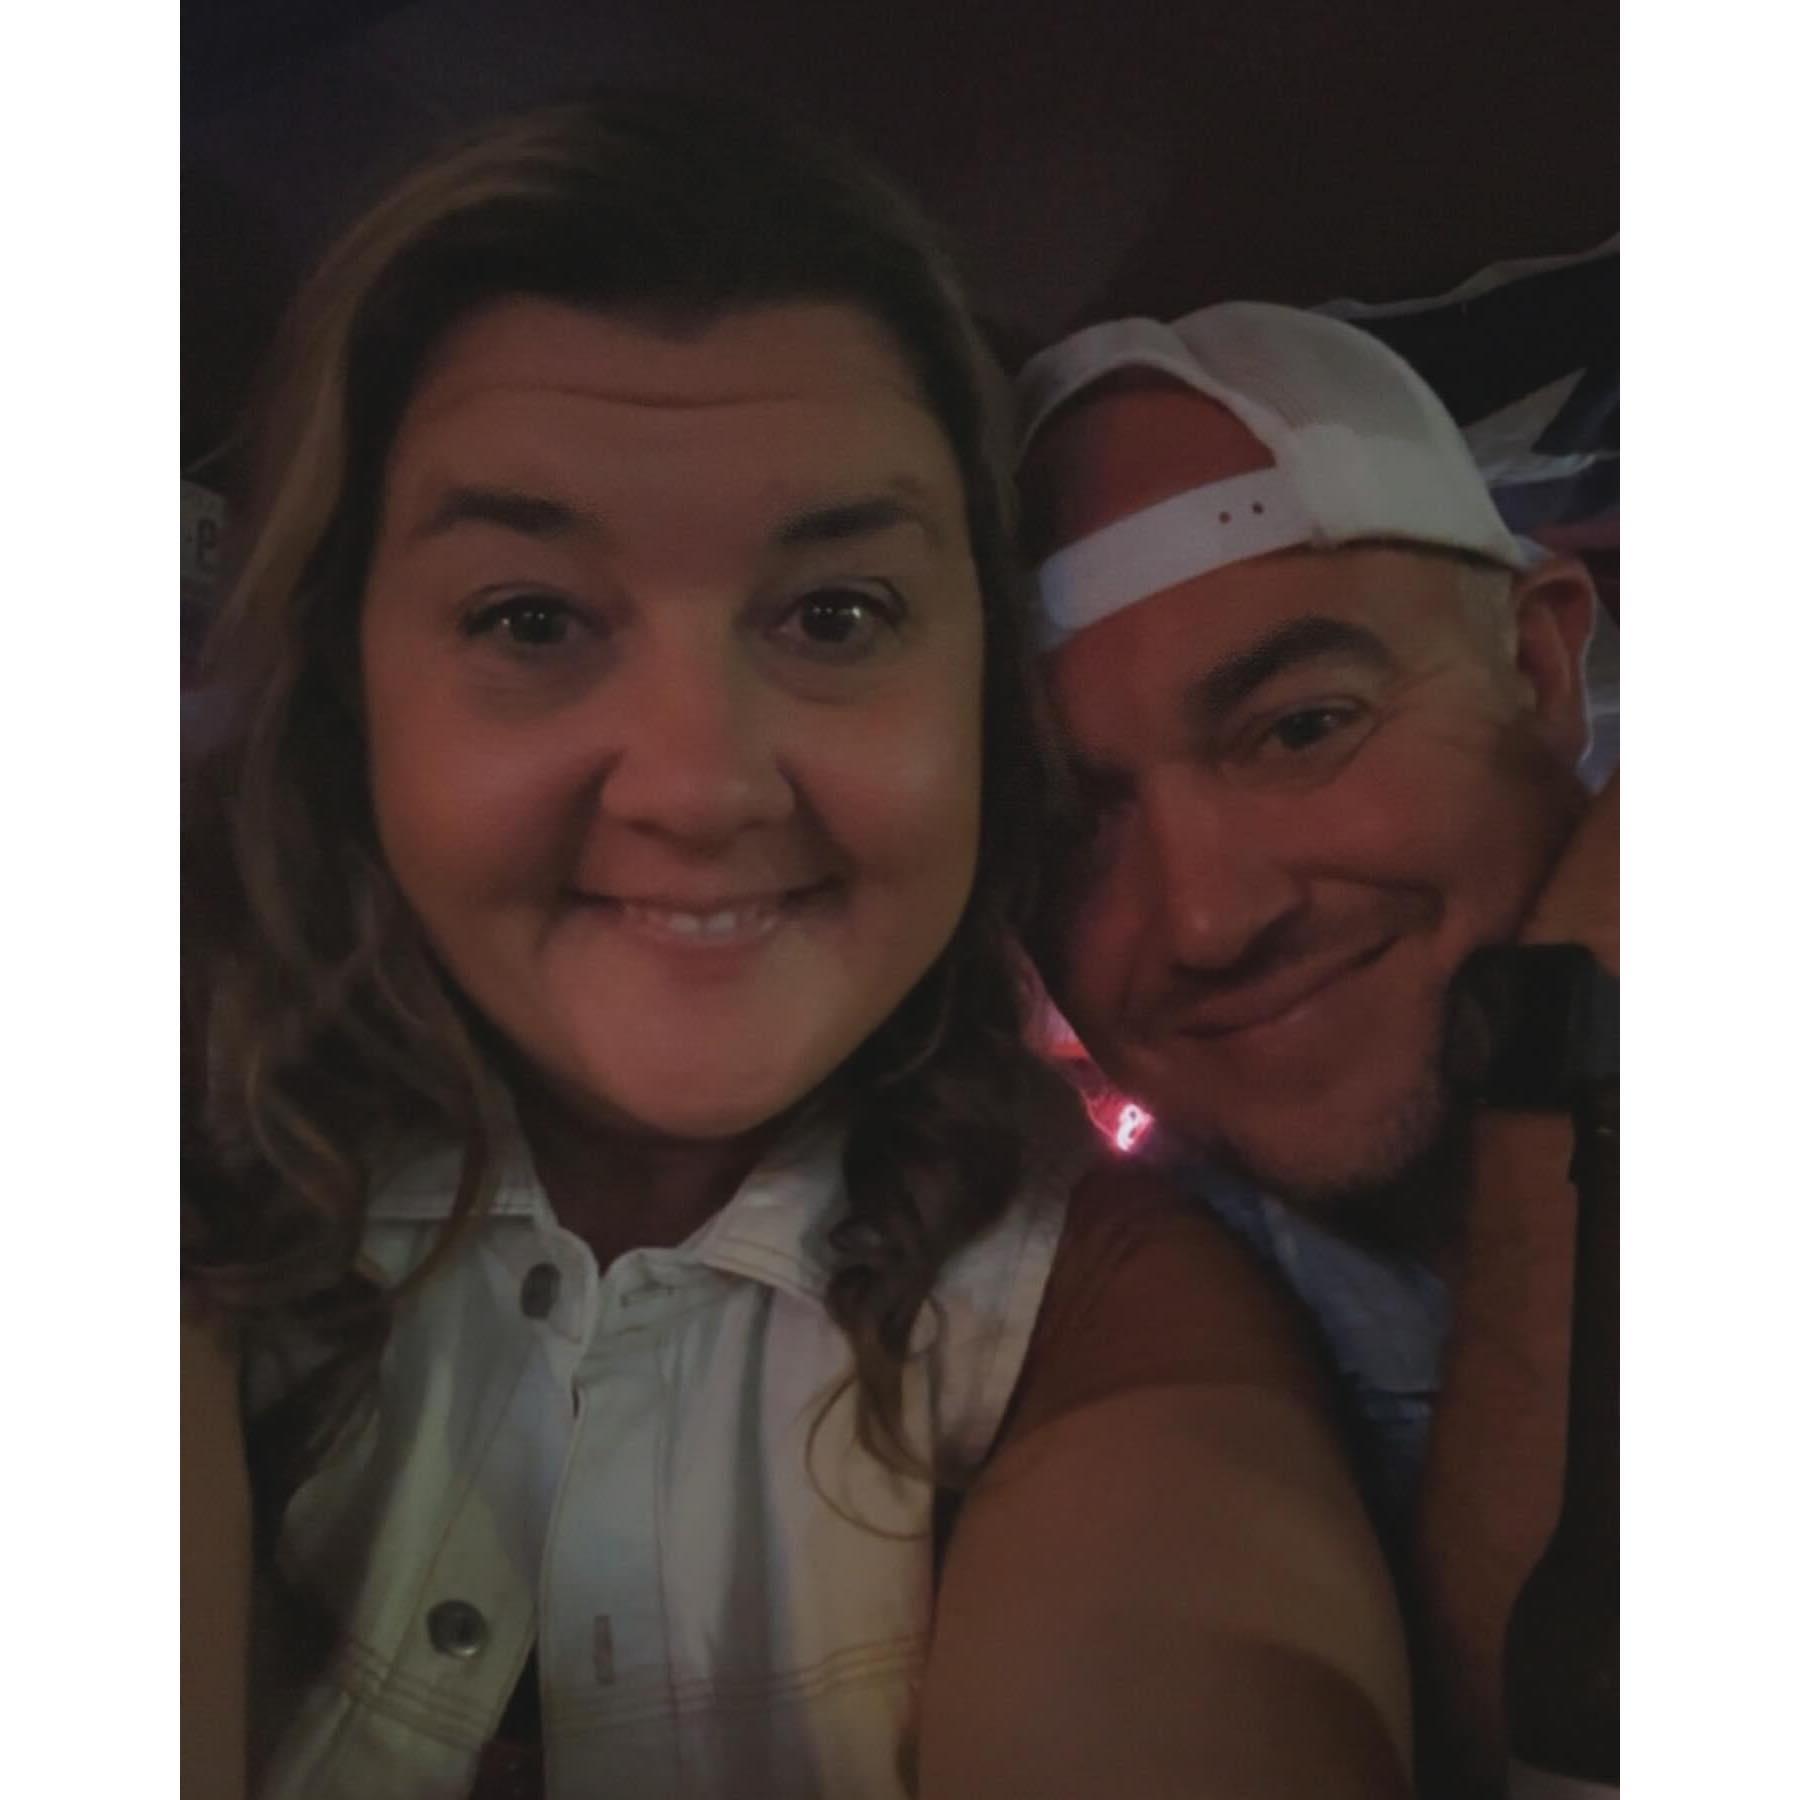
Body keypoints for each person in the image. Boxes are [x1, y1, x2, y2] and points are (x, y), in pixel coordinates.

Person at [181, 98, 1412, 1800]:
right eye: (530, 618)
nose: (698, 788)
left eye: (836, 615)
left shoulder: (1111, 1318)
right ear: (350, 696)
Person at [1014, 302, 1618, 1794]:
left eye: (1301, 728)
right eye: (1074, 829)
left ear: (1542, 669)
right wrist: (1565, 1051)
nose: (1206, 918)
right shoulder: (1102, 1313)